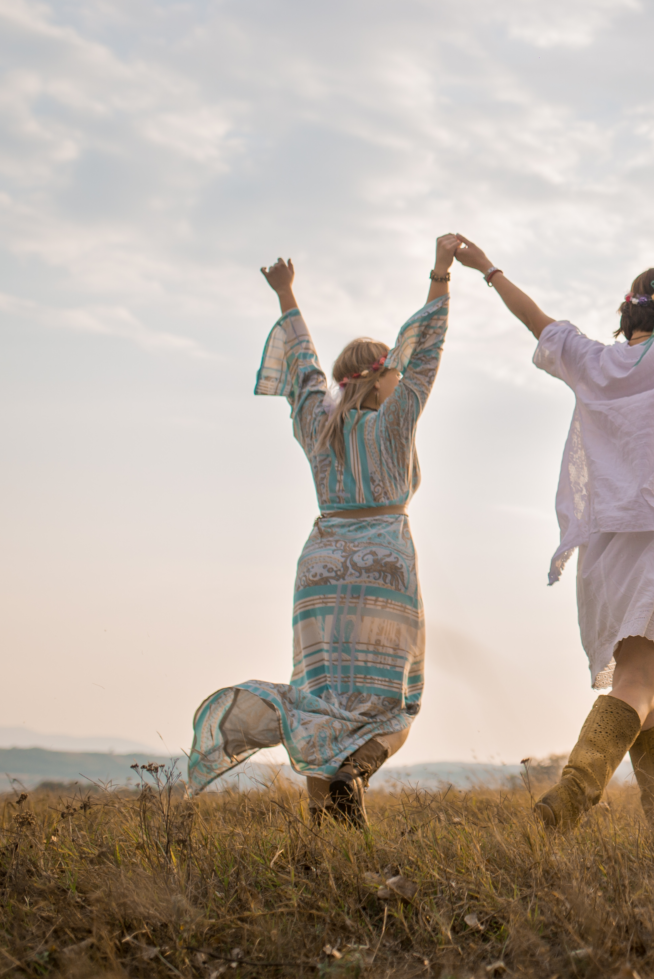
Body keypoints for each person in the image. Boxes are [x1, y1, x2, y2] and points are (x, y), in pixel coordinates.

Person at [452, 140, 654, 830]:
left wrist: (487, 268)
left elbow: (535, 318)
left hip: (604, 546)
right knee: (639, 680)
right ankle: (569, 798)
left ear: (627, 315)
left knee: (651, 690)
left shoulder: (593, 360)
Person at [188, 234, 461, 825]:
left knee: (320, 698)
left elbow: (302, 361)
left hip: (321, 567)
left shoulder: (317, 419)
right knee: (394, 700)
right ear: (386, 373)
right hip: (383, 564)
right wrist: (440, 273)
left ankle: (328, 837)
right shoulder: (397, 415)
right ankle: (355, 770)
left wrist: (287, 295)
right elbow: (429, 350)